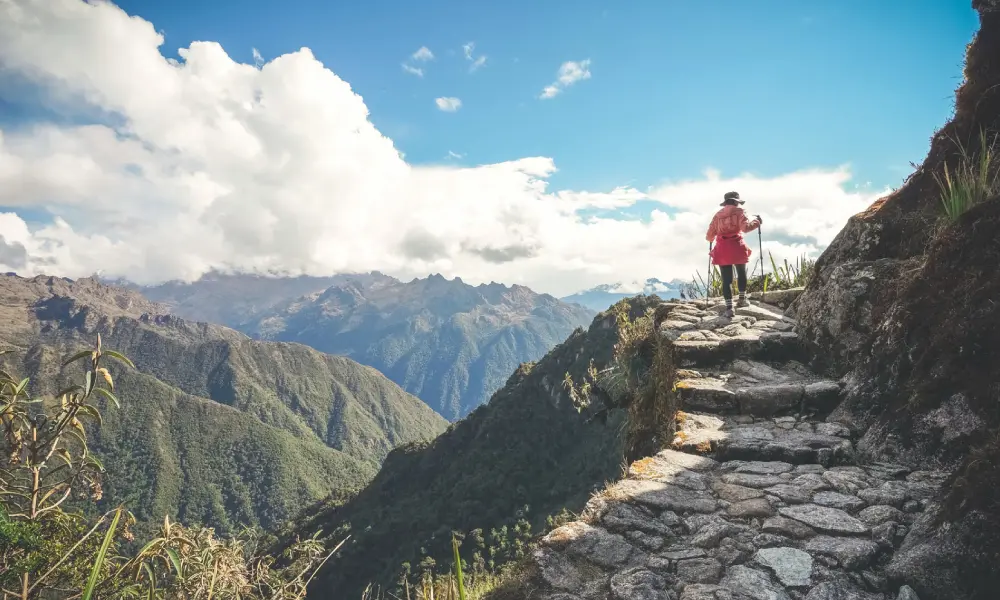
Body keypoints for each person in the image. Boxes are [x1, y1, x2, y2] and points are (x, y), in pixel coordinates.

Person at [705, 191, 762, 318]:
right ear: (736, 201)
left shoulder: (717, 215)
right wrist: (757, 222)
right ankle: (742, 299)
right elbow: (746, 228)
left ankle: (729, 308)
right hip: (737, 246)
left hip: (722, 248)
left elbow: (709, 236)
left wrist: (711, 238)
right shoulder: (740, 212)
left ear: (725, 202)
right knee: (741, 273)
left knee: (726, 280)